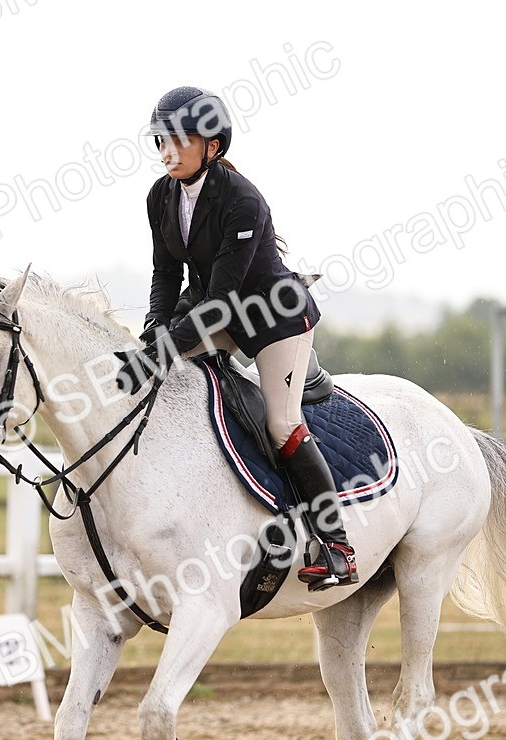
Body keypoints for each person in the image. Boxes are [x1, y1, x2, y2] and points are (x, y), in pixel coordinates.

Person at [114, 86, 357, 589]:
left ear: (214, 147)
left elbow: (223, 301)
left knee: (281, 422)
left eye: (181, 140)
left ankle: (335, 544)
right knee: (168, 385)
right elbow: (165, 274)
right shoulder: (160, 195)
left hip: (272, 318)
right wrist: (154, 332)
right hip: (215, 309)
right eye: (161, 139)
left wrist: (162, 348)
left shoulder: (242, 200)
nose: (167, 151)